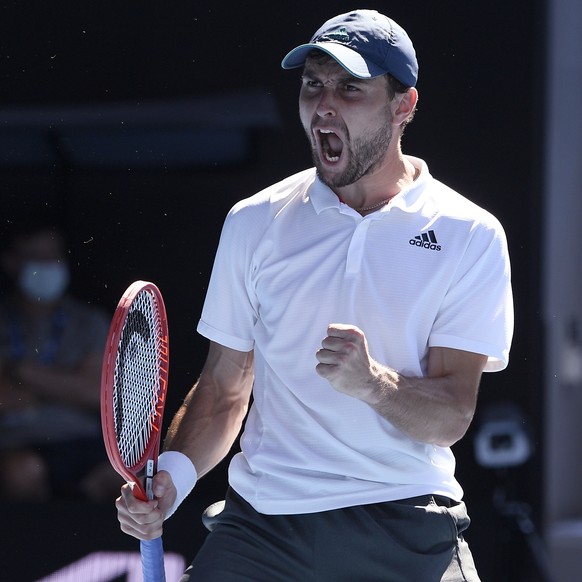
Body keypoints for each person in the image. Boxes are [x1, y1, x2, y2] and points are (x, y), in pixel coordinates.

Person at [116, 9, 513, 581]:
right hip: (264, 526)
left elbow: (452, 414)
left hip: (404, 520)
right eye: (313, 84)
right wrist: (171, 480)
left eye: (350, 88)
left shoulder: (470, 234)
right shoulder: (253, 222)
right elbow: (227, 389)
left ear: (403, 106)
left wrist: (373, 385)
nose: (324, 105)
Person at [0, 219, 122, 501]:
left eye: (53, 256)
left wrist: (22, 372)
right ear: (10, 262)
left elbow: (98, 394)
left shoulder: (89, 321)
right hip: (18, 444)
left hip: (83, 442)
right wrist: (68, 384)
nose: (47, 265)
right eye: (36, 257)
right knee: (22, 472)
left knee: (124, 481)